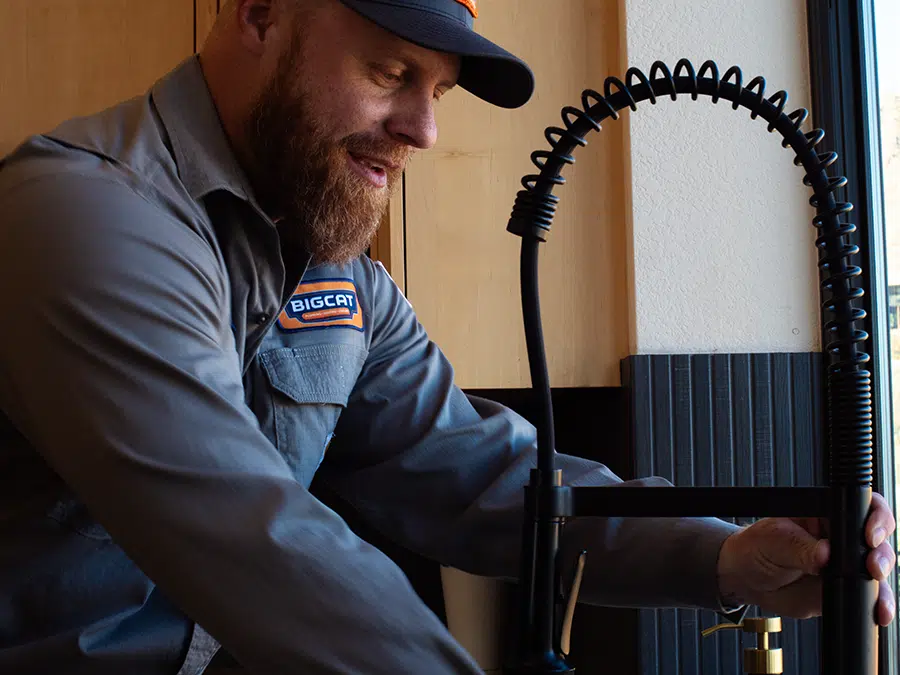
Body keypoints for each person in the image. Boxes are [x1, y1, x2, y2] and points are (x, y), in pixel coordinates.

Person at [0, 0, 894, 673]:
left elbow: (481, 473)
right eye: (391, 72)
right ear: (261, 13)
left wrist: (726, 555)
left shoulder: (338, 274)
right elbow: (249, 535)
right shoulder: (80, 216)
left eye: (438, 91)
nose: (424, 130)